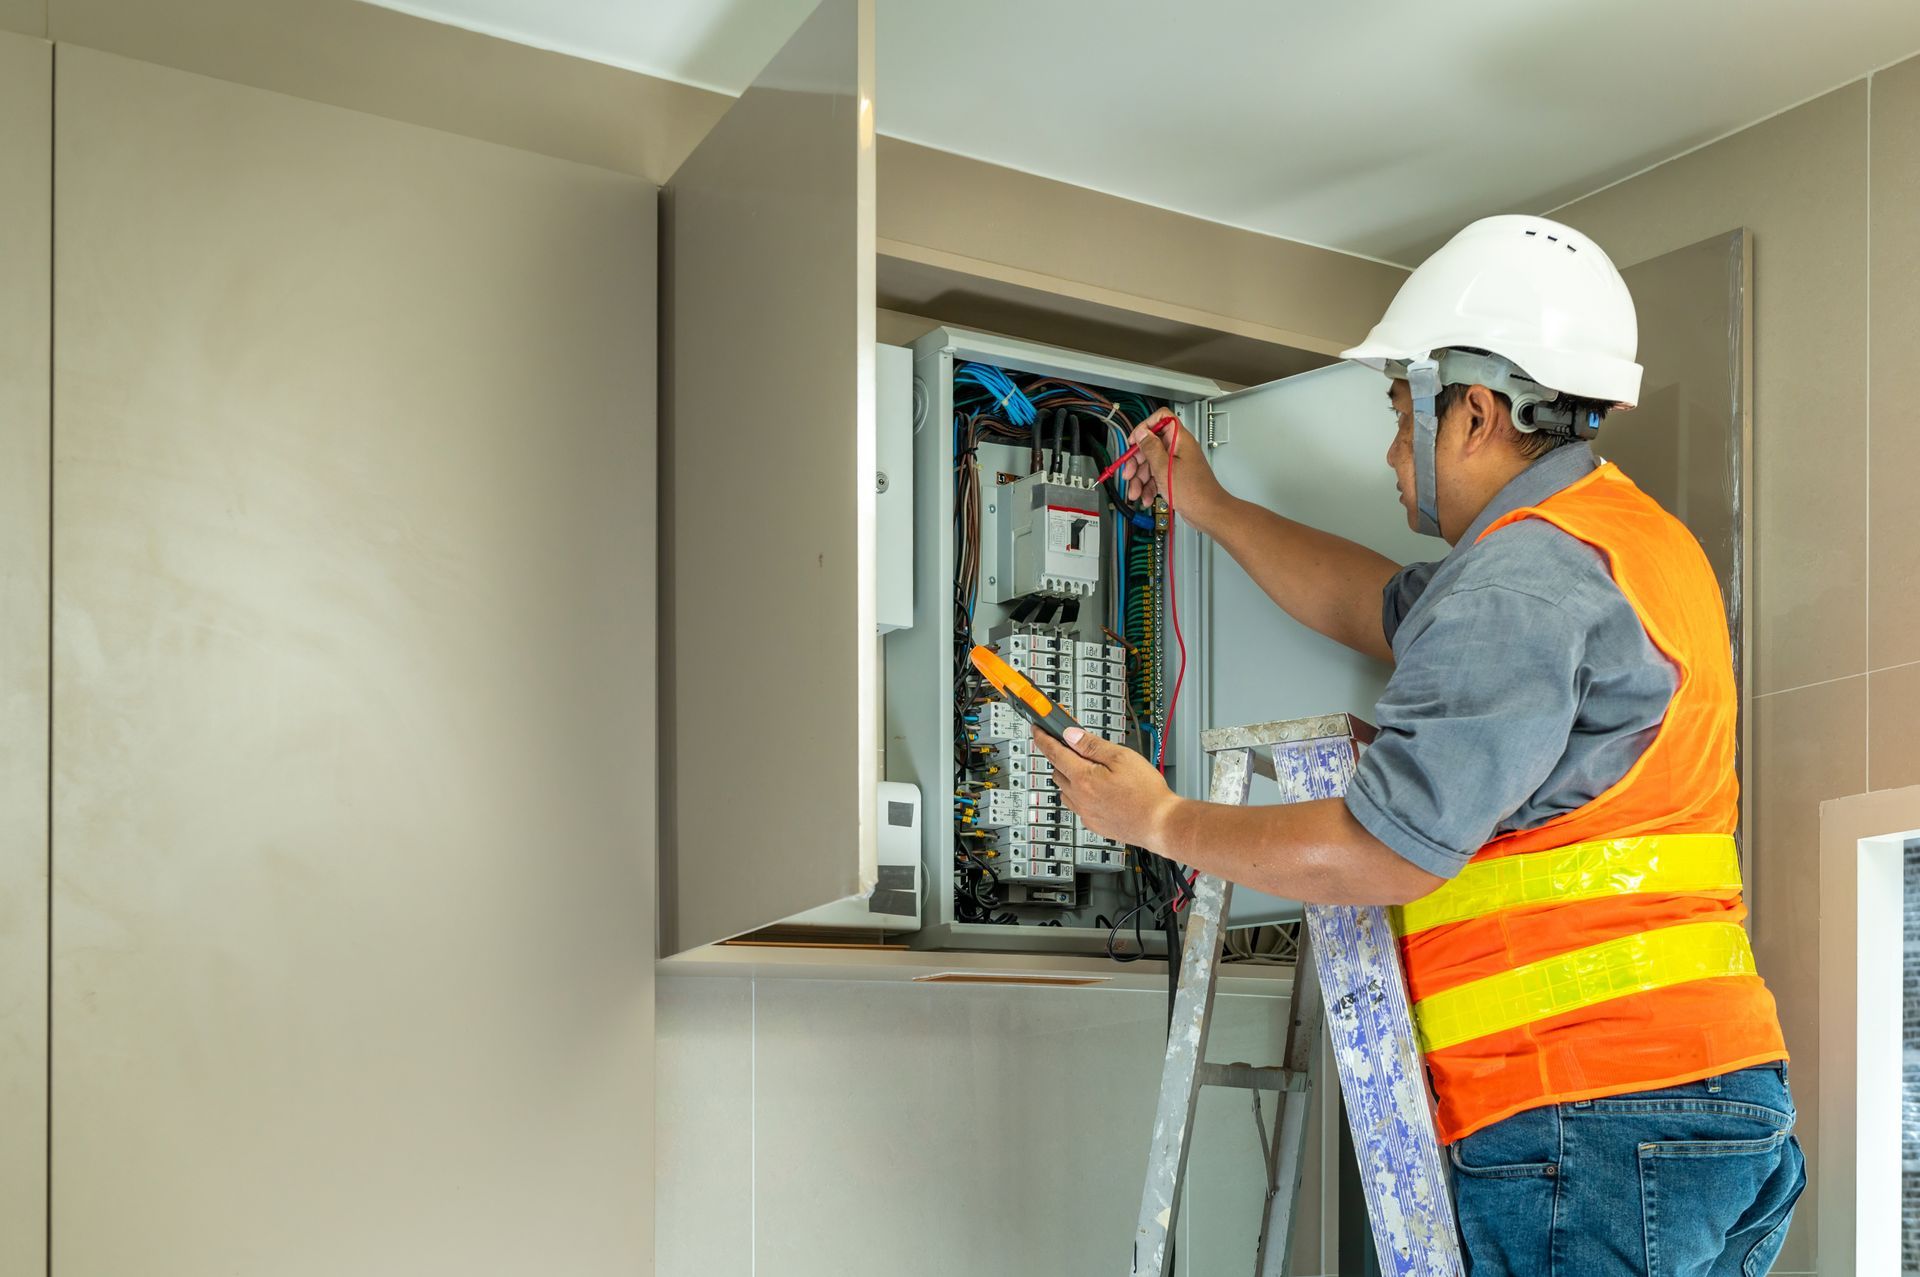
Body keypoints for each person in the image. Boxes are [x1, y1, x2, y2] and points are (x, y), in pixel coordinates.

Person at [1032, 214, 1804, 1275]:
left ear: (1477, 411)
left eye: (1404, 415)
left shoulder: (1522, 583)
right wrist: (1207, 506)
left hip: (1584, 1110)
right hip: (1716, 1099)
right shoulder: (1626, 544)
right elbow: (1374, 605)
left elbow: (1381, 846)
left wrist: (1158, 818)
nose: (1393, 454)